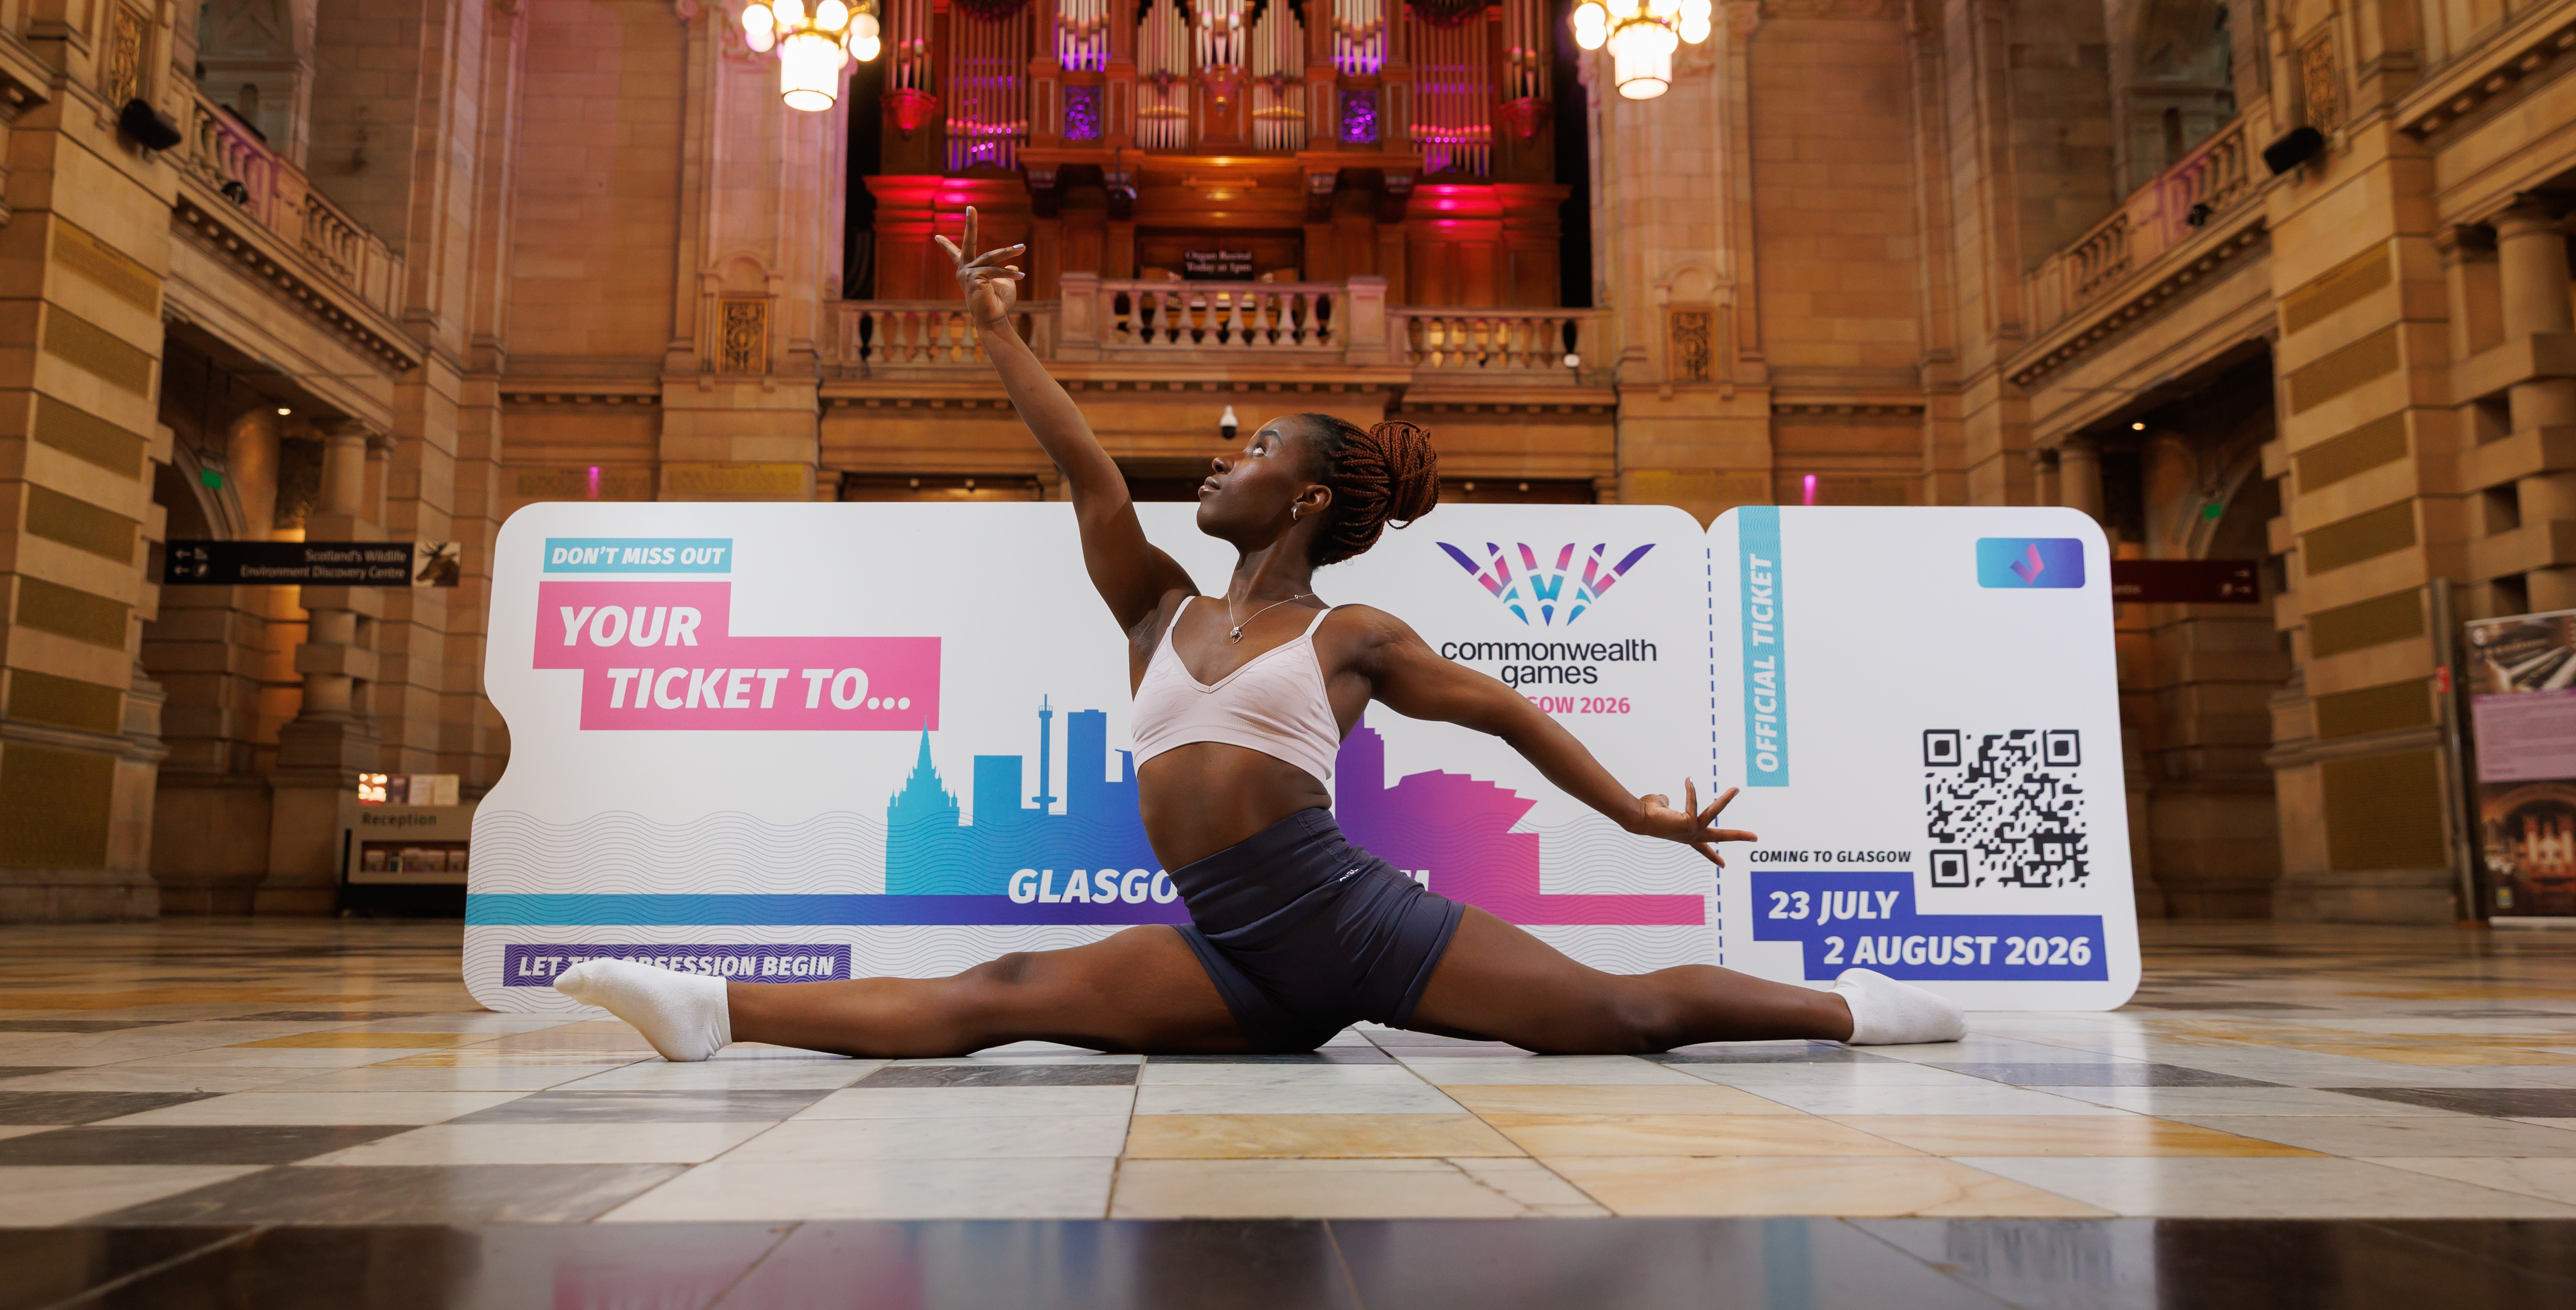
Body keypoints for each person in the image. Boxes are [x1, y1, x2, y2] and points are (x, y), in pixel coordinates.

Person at [558, 210, 1965, 1060]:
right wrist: (998, 334)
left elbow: (1507, 714)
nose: (1219, 459)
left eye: (1251, 453)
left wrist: (1644, 820)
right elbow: (1086, 469)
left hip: (1352, 925)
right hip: (1229, 948)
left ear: (1301, 495)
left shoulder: (1352, 631)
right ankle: (712, 1008)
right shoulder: (1155, 605)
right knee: (1001, 992)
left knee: (1626, 1019)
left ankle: (1862, 1009)